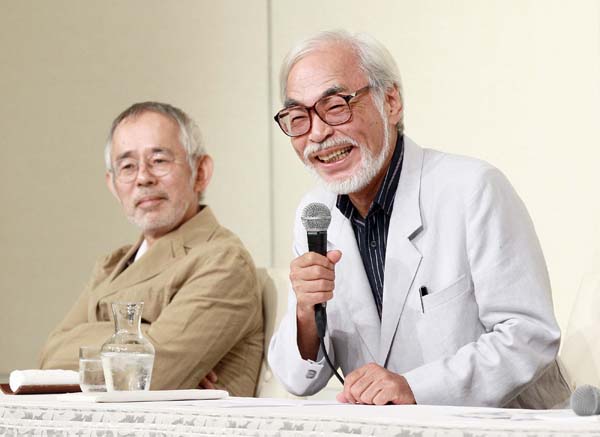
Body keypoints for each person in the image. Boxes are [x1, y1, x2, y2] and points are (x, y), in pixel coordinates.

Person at [268, 30, 571, 407]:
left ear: (391, 102)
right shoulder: (315, 214)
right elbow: (297, 380)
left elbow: (529, 337)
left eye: (335, 106)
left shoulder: (472, 188)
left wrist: (416, 388)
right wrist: (305, 311)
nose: (317, 133)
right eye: (298, 117)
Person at [39, 102, 263, 396]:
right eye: (127, 166)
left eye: (159, 161)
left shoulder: (223, 260)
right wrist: (143, 342)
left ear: (200, 172)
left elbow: (151, 376)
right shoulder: (111, 265)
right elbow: (49, 361)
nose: (143, 178)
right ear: (113, 185)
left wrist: (99, 346)